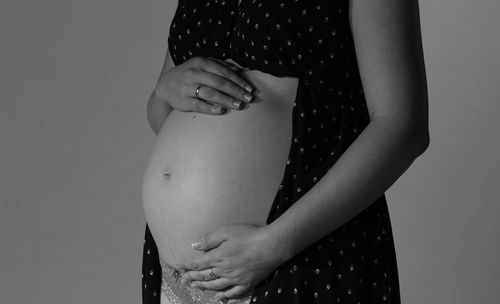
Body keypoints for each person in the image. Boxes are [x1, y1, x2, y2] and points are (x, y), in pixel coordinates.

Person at [142, 0, 429, 303]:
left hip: (293, 259)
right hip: (176, 276)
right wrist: (164, 88)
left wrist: (271, 246)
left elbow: (402, 128)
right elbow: (161, 113)